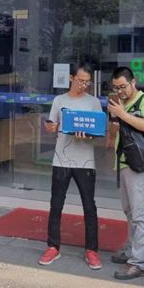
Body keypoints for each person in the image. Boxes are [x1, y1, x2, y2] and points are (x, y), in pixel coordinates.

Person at [38, 63, 103, 270]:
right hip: (61, 160)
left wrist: (89, 135)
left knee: (89, 206)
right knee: (56, 204)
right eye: (80, 80)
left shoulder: (93, 102)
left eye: (87, 82)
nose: (84, 85)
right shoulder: (59, 100)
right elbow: (51, 126)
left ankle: (91, 250)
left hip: (85, 161)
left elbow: (99, 132)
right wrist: (51, 127)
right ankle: (53, 247)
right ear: (71, 78)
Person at [107, 67, 144, 280]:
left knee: (140, 215)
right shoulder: (119, 104)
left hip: (139, 166)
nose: (120, 91)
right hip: (123, 164)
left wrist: (122, 114)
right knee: (129, 211)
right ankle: (132, 252)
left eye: (123, 86)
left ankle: (139, 263)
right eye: (115, 88)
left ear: (133, 82)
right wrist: (114, 120)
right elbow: (112, 137)